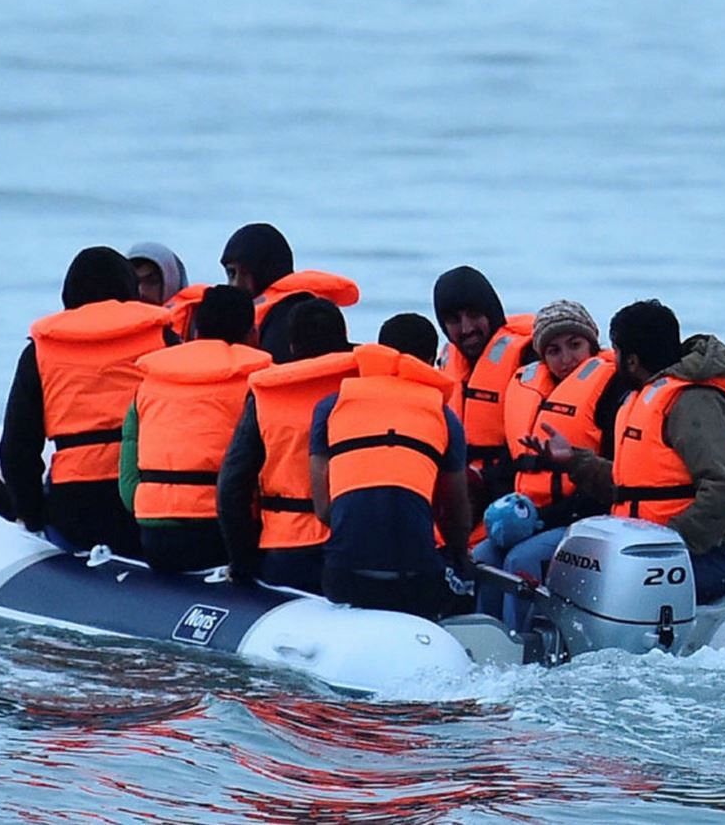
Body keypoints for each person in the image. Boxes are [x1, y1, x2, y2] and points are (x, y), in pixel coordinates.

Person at [538, 299, 725, 604]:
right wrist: (575, 461)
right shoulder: (644, 399)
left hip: (720, 552)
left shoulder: (692, 403)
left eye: (615, 351)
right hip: (653, 546)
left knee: (614, 589)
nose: (611, 358)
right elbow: (633, 487)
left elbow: (722, 488)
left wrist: (667, 545)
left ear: (631, 360)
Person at [0, 246, 170, 553]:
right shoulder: (163, 340)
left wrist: (33, 515)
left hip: (74, 505)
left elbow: (17, 449)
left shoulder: (39, 352)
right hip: (145, 500)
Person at [308, 313, 472, 620]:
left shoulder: (331, 406)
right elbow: (456, 514)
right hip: (415, 579)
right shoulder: (444, 415)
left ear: (379, 353)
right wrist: (459, 555)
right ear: (431, 361)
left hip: (344, 576)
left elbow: (324, 509)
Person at [477, 300, 624, 631]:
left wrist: (542, 521)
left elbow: (612, 479)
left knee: (520, 560)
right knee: (484, 555)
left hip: (588, 521)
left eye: (575, 345)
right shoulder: (530, 391)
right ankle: (483, 643)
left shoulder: (612, 393)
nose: (566, 359)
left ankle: (519, 646)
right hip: (537, 520)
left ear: (592, 344)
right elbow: (513, 465)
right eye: (554, 350)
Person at [120, 286, 272, 573]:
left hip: (155, 537)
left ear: (196, 331)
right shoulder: (260, 384)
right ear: (253, 334)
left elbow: (128, 489)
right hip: (222, 538)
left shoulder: (148, 384)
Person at [216, 299, 357, 592]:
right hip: (356, 545)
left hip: (288, 553)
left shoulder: (266, 397)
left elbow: (231, 488)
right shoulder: (366, 388)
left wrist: (242, 564)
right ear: (345, 344)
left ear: (292, 348)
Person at [432, 265, 534, 498]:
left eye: (474, 315)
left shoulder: (528, 360)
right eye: (454, 320)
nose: (467, 328)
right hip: (460, 493)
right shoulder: (445, 363)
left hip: (511, 495)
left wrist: (481, 482)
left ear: (492, 312)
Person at [221, 223, 359, 363]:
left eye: (238, 273)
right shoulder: (311, 309)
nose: (233, 285)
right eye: (230, 274)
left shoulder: (285, 321)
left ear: (264, 271)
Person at [126, 242, 189, 308]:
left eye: (151, 281)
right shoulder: (115, 316)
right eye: (133, 282)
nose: (141, 291)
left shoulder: (194, 317)